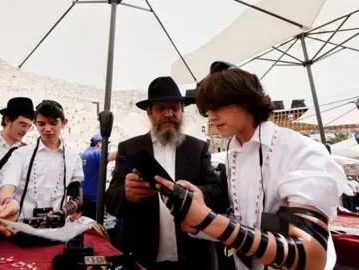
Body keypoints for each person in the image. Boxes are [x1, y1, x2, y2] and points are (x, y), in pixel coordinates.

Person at [154, 61, 351, 270]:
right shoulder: (234, 154)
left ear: (246, 101)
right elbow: (242, 222)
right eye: (207, 110)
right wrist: (197, 217)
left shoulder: (301, 151)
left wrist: (207, 220)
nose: (211, 116)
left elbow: (311, 257)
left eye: (219, 106)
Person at [105, 76, 227, 270]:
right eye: (161, 108)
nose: (169, 113)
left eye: (175, 108)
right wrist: (126, 194)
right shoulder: (129, 148)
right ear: (150, 113)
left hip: (193, 258)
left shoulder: (198, 148)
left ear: (181, 111)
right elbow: (111, 200)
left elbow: (218, 194)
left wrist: (195, 194)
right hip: (142, 257)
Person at [0, 100, 84, 237]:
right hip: (20, 231)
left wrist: (62, 212)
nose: (47, 129)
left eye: (54, 123)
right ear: (35, 124)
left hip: (57, 232)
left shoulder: (73, 158)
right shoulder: (21, 154)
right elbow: (7, 187)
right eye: (41, 124)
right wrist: (8, 203)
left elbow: (77, 197)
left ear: (64, 122)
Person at [80, 134, 116, 219]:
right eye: (106, 144)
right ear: (99, 143)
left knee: (84, 224)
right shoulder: (97, 153)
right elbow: (113, 156)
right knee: (93, 227)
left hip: (83, 197)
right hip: (93, 199)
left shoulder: (83, 154)